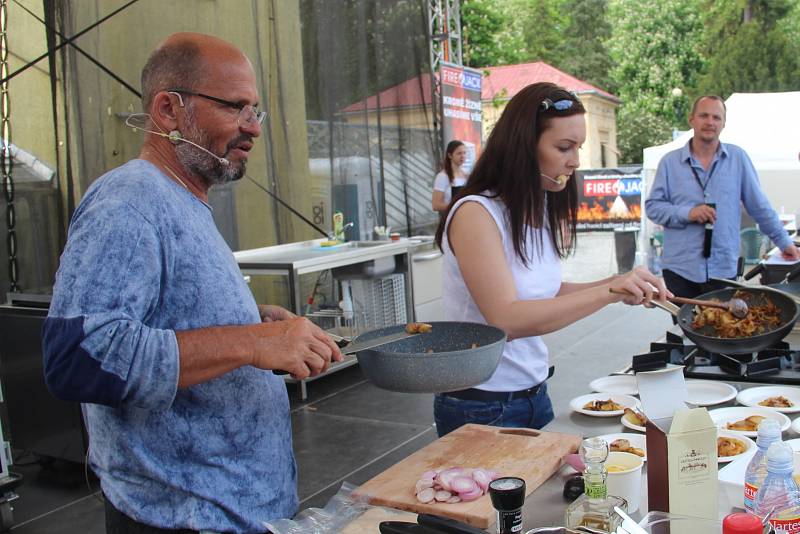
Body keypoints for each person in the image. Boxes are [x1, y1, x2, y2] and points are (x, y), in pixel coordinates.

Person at [41, 32, 342, 533]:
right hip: (180, 520)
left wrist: (252, 325)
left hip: (235, 513)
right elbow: (78, 358)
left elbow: (167, 321)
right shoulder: (130, 199)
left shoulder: (185, 200)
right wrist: (251, 342)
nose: (253, 128)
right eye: (236, 108)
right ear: (167, 110)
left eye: (256, 112)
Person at [432, 82, 669, 437]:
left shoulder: (535, 205)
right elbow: (507, 319)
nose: (574, 160)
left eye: (579, 148)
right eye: (564, 147)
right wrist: (609, 293)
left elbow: (549, 291)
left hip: (534, 393)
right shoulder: (475, 213)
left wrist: (620, 282)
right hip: (480, 403)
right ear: (523, 147)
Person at [646, 95, 799, 298]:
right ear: (691, 119)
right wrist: (688, 213)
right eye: (704, 116)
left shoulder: (738, 159)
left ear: (724, 123)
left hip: (723, 269)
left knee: (724, 328)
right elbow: (653, 208)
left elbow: (759, 206)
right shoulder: (669, 162)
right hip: (680, 270)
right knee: (686, 329)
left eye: (716, 117)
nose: (710, 122)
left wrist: (783, 242)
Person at [431, 140, 468, 213]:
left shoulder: (466, 175)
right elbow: (435, 205)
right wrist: (457, 205)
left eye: (464, 153)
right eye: (459, 153)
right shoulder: (443, 176)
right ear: (450, 155)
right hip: (450, 217)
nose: (462, 156)